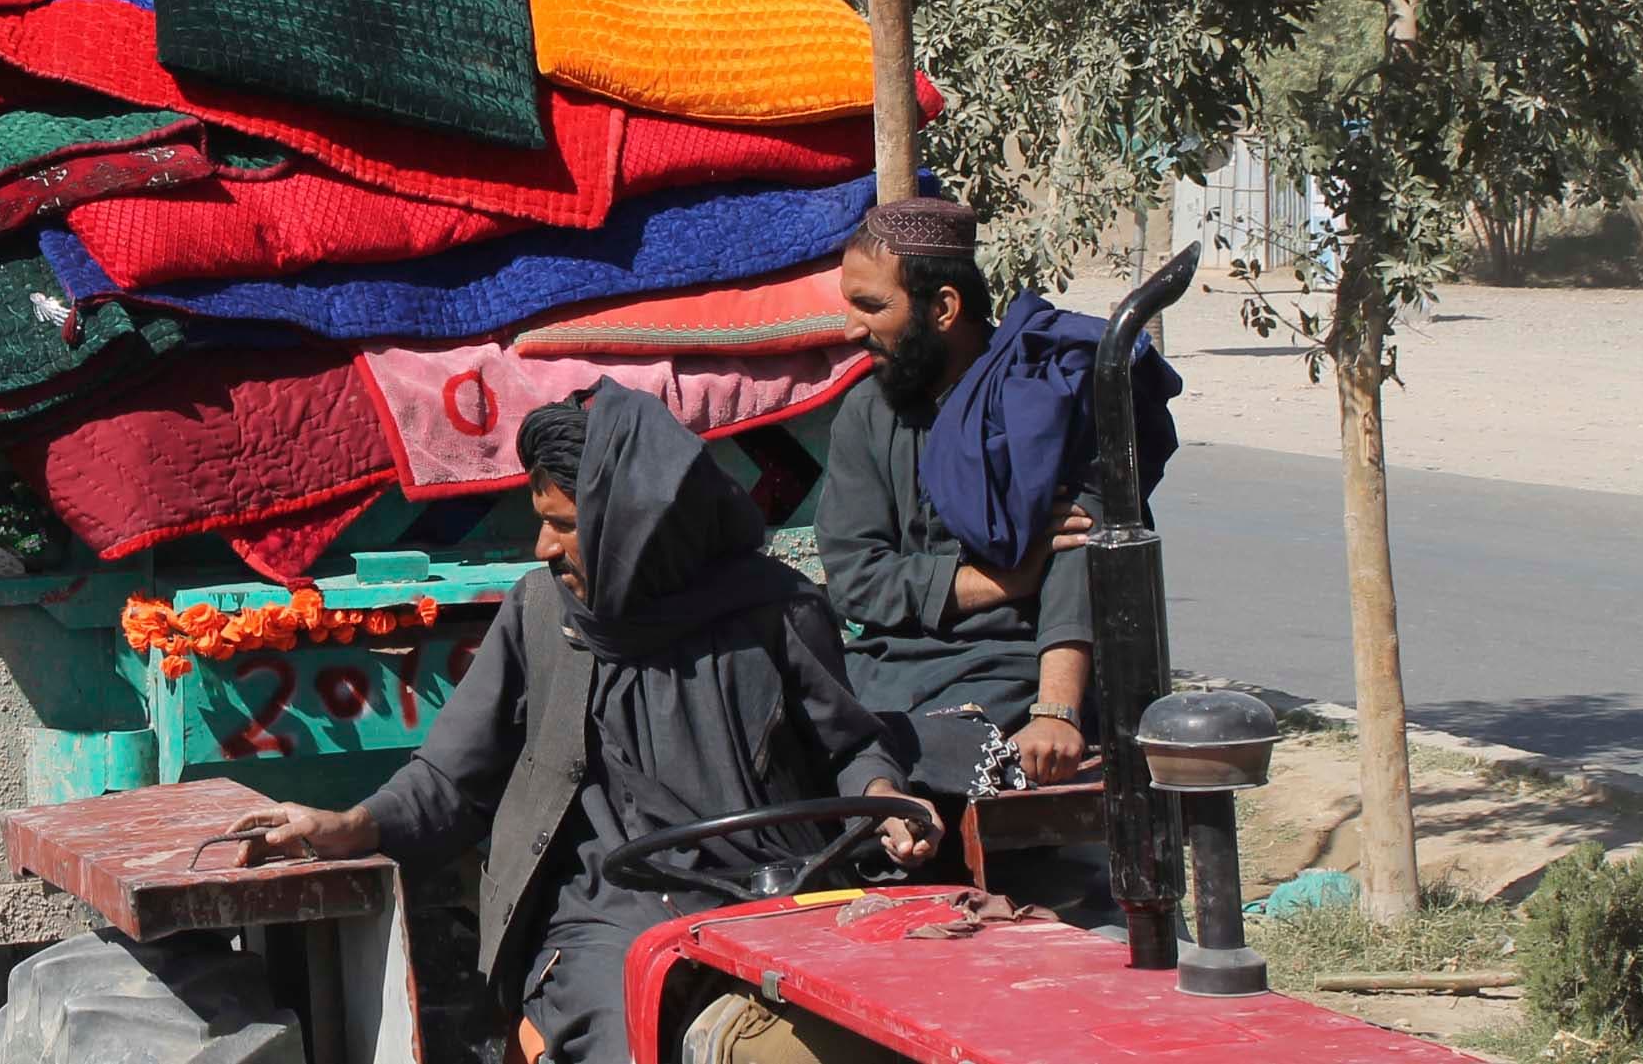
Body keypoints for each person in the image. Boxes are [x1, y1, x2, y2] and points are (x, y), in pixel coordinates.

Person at [236, 384, 930, 1063]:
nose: (542, 545)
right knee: (633, 1023)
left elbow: (855, 742)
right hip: (608, 913)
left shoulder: (778, 610)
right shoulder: (540, 617)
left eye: (564, 524)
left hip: (774, 898)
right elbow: (451, 779)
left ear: (634, 524)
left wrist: (884, 796)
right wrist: (353, 824)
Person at [816, 196, 1176, 819]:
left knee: (937, 766)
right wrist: (1002, 579)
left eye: (871, 307)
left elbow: (1078, 558)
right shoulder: (866, 415)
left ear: (945, 309)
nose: (851, 329)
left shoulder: (1045, 397)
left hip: (1010, 678)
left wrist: (1055, 712)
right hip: (882, 673)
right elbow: (855, 580)